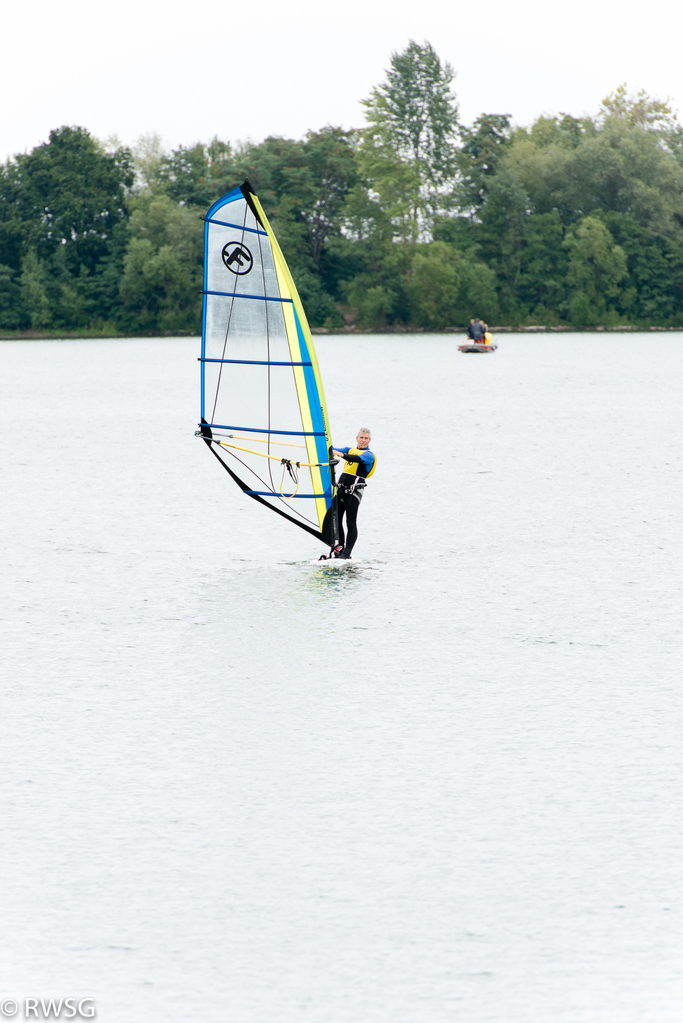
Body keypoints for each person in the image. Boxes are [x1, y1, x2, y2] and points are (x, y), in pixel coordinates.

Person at [324, 427, 376, 560]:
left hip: (353, 492)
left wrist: (341, 455)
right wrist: (326, 445)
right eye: (361, 437)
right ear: (357, 438)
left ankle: (347, 553)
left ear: (369, 440)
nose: (363, 440)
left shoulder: (369, 455)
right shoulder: (350, 448)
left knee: (350, 523)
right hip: (341, 490)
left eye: (366, 438)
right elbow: (333, 449)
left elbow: (356, 458)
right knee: (335, 520)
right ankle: (339, 548)